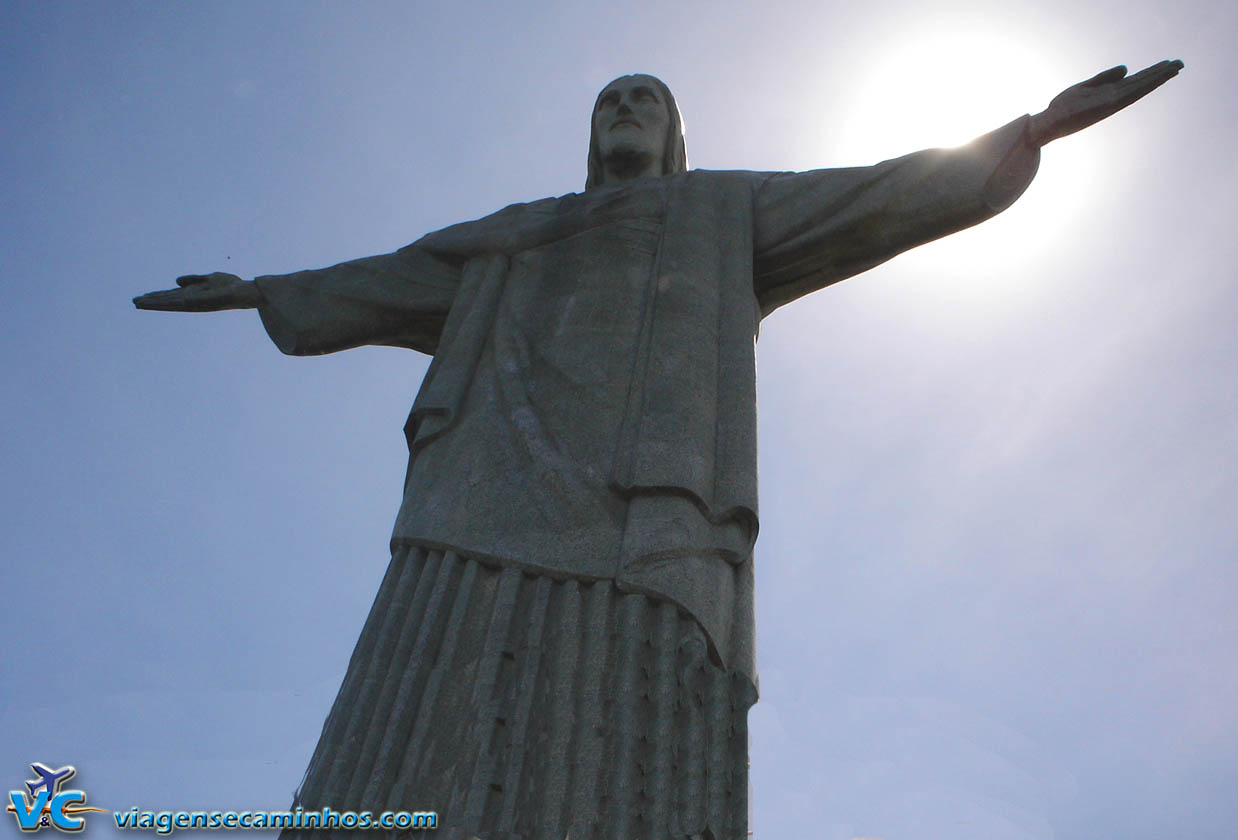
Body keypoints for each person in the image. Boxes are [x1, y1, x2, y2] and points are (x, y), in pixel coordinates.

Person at [135, 62, 1182, 840]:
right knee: (424, 705)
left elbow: (868, 196)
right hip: (474, 501)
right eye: (607, 102)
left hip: (647, 507)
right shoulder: (515, 231)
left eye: (644, 101)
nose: (623, 112)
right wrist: (257, 290)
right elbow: (391, 274)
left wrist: (1022, 133)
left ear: (674, 136)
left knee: (619, 717)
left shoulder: (722, 211)